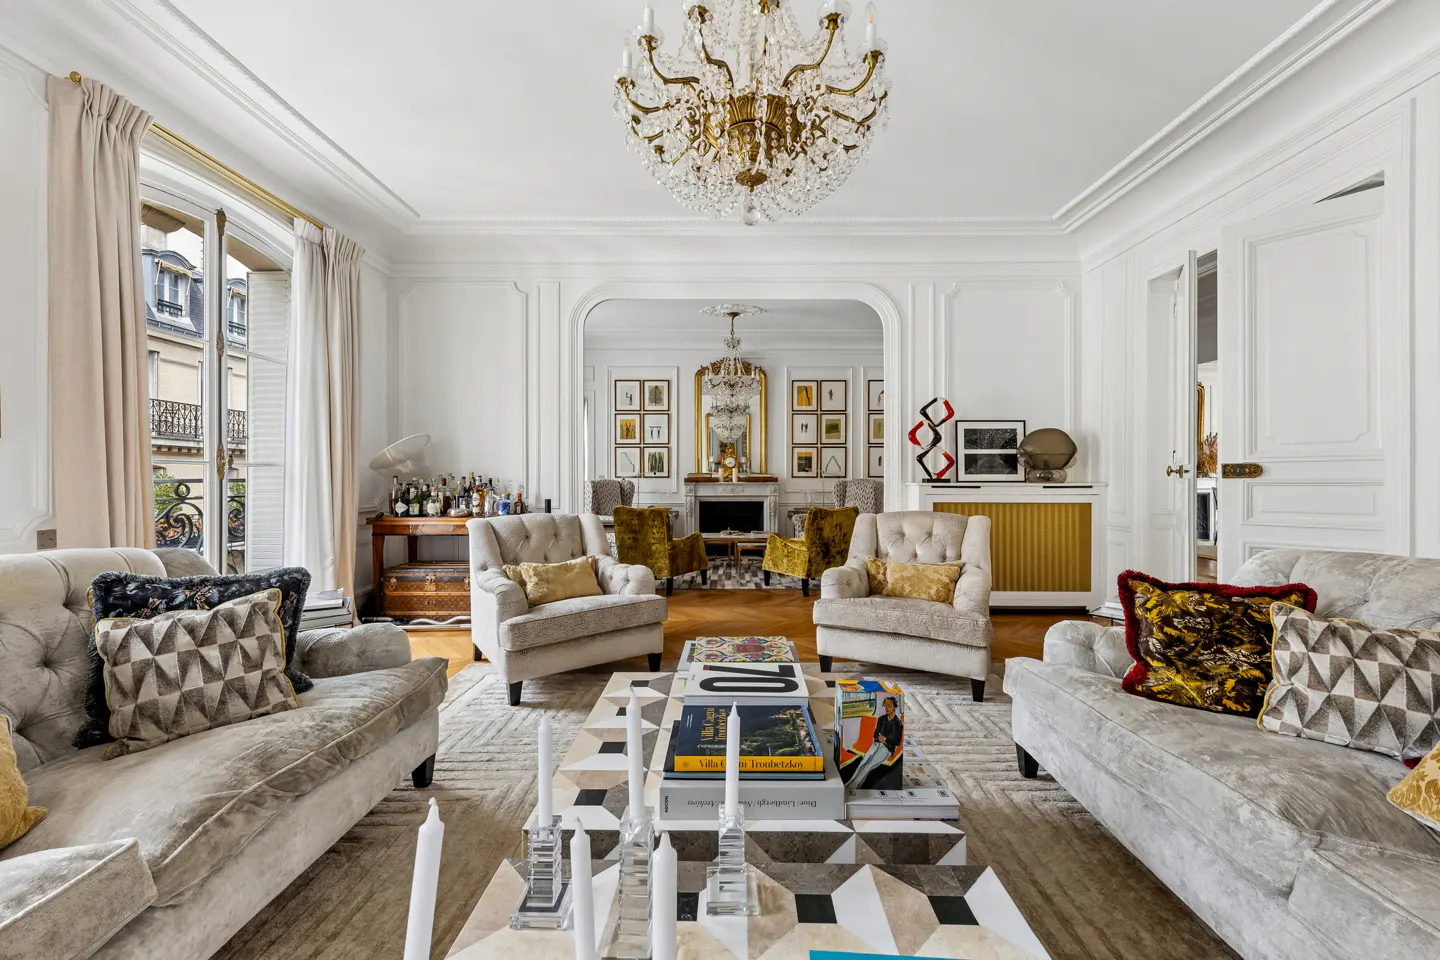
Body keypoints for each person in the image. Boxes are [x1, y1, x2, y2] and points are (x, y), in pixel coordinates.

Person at [849, 696, 903, 787]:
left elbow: (897, 742)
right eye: (885, 705)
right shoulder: (881, 719)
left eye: (889, 705)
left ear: (894, 707)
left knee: (869, 766)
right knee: (863, 763)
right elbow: (875, 734)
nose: (887, 708)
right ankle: (850, 782)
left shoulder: (897, 723)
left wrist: (885, 739)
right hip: (876, 744)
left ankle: (854, 785)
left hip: (887, 748)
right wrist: (879, 737)